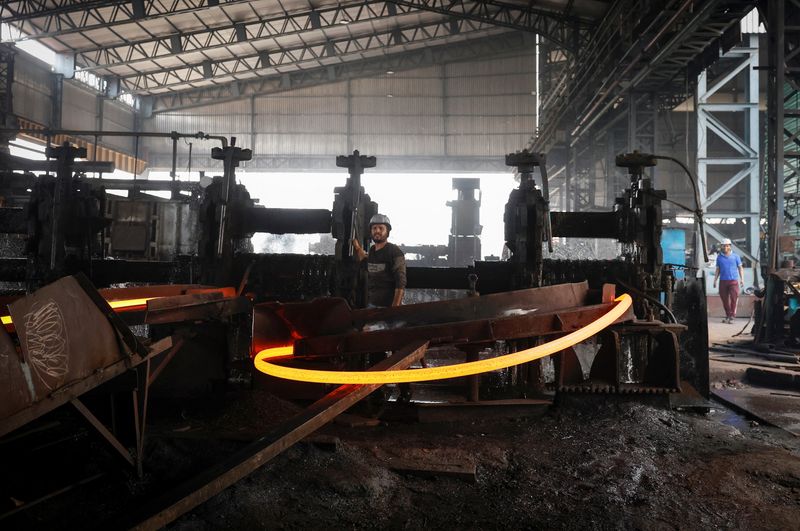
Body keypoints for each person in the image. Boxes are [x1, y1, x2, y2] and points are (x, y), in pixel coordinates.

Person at [352, 213, 406, 308]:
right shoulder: (372, 250)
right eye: (374, 228)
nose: (377, 231)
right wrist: (357, 247)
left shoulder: (394, 252)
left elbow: (400, 281)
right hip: (372, 305)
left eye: (381, 228)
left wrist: (395, 308)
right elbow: (366, 264)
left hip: (388, 307)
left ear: (387, 232)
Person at [713, 238, 744, 324]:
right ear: (721, 247)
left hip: (733, 281)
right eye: (723, 246)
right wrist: (715, 280)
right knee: (725, 300)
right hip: (723, 281)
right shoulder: (719, 258)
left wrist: (742, 279)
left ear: (730, 246)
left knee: (734, 299)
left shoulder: (736, 256)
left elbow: (740, 268)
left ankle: (732, 316)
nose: (725, 247)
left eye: (727, 246)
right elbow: (718, 270)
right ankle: (728, 315)